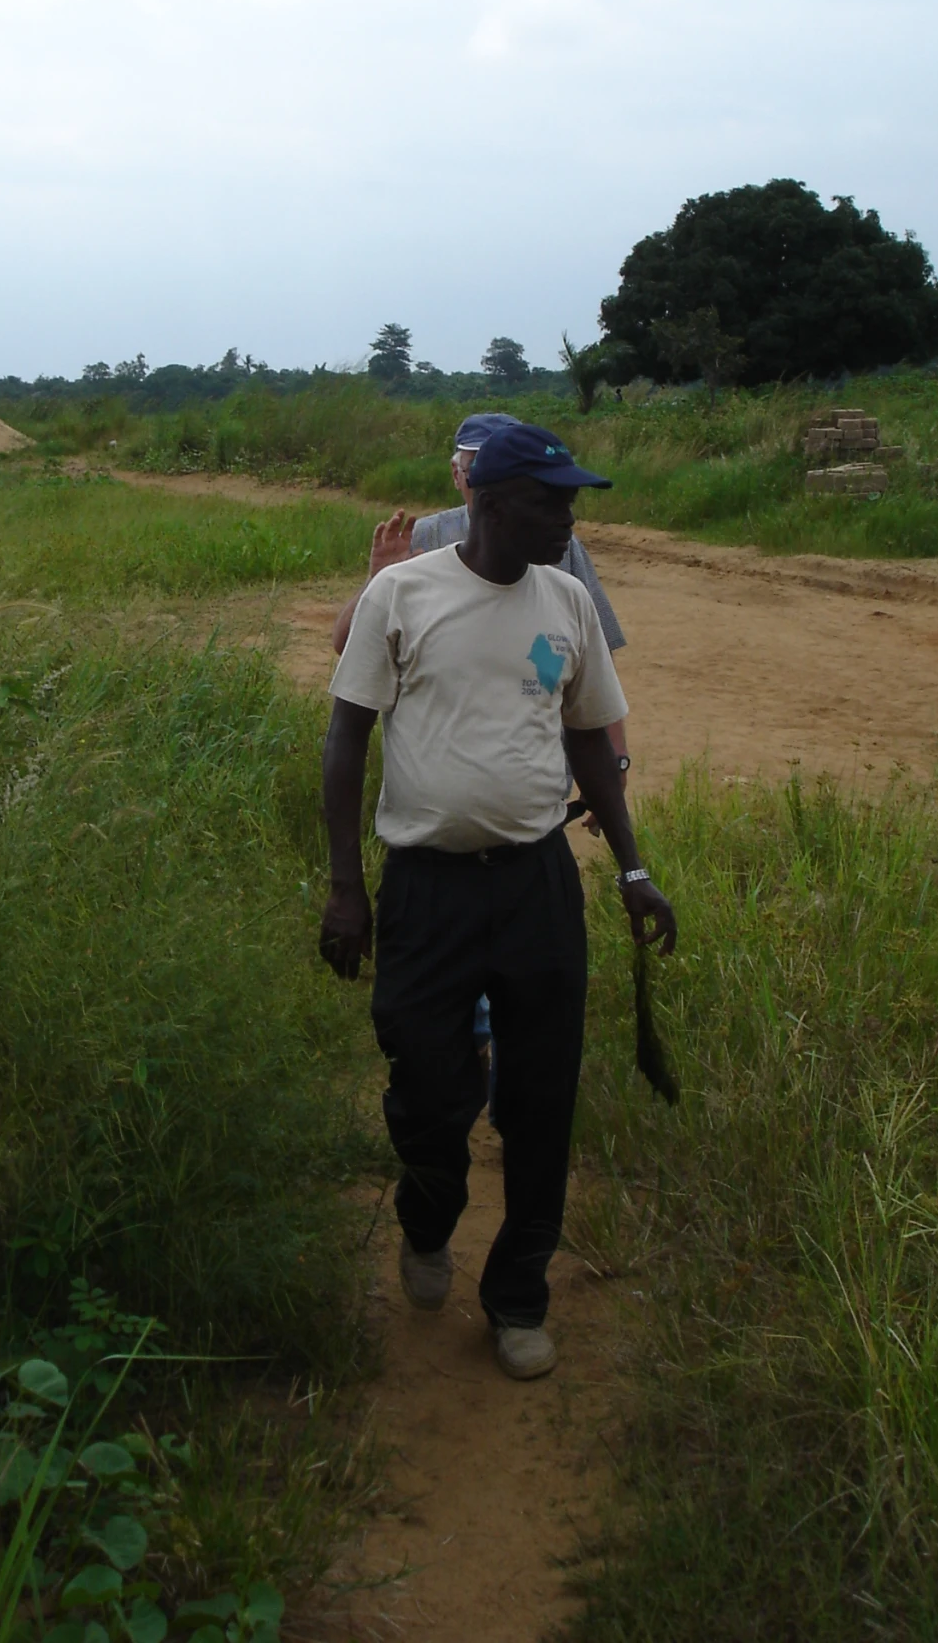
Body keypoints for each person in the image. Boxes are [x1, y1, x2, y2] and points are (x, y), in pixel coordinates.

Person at [319, 421, 677, 1382]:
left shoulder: (566, 601)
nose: (567, 518)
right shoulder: (401, 594)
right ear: (486, 504)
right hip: (427, 892)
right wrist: (347, 888)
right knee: (430, 1092)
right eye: (548, 501)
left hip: (537, 887)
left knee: (541, 1099)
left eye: (572, 501)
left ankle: (519, 1295)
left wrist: (635, 870)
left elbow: (592, 742)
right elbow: (346, 740)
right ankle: (427, 1218)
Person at [330, 411, 633, 1096]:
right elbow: (347, 681)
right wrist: (374, 576)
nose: (566, 518)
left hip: (534, 863)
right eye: (465, 464)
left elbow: (590, 692)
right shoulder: (421, 551)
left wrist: (619, 781)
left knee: (538, 1072)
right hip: (430, 877)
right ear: (470, 484)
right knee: (428, 1068)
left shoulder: (562, 563)